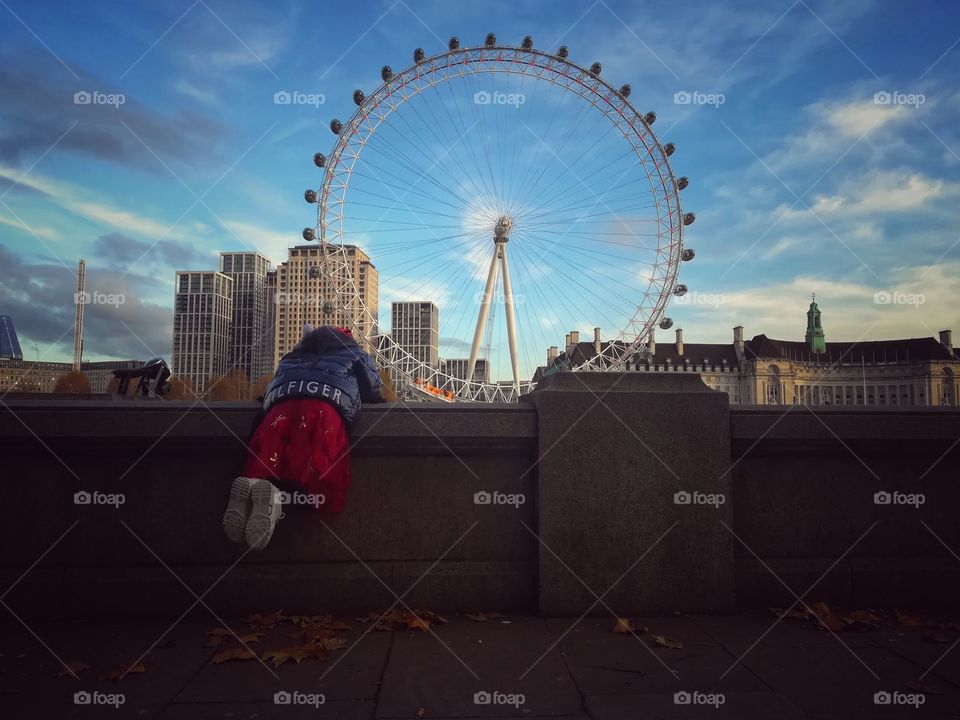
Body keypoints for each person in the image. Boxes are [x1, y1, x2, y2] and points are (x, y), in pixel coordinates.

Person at [222, 324, 386, 550]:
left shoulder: (292, 356)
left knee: (269, 453)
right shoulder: (354, 353)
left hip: (281, 407)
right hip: (324, 409)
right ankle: (281, 502)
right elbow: (373, 387)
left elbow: (273, 384)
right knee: (318, 469)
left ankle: (254, 484)